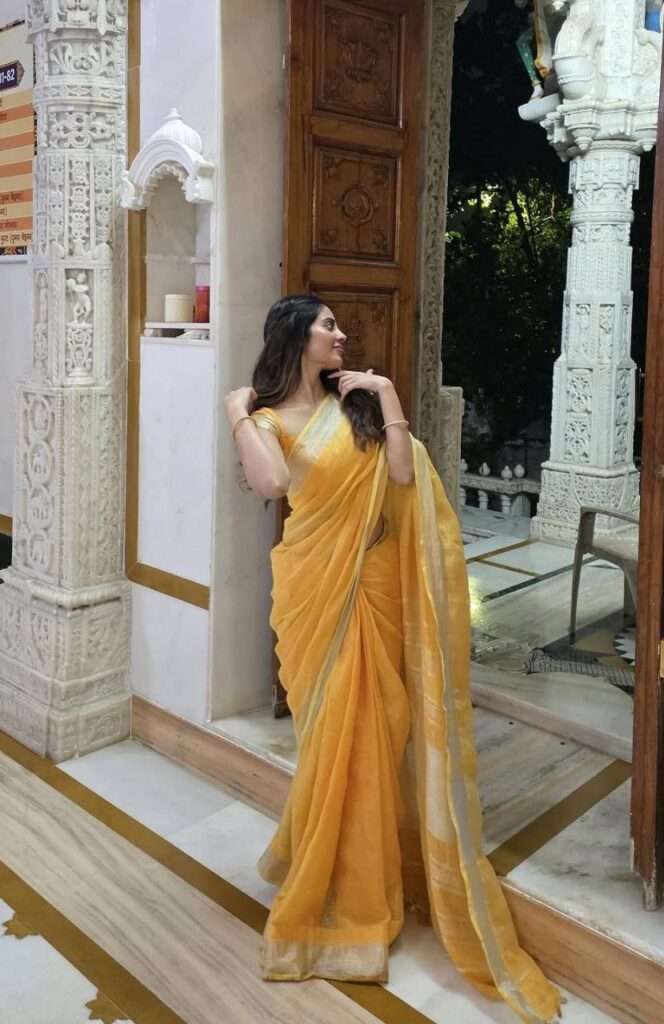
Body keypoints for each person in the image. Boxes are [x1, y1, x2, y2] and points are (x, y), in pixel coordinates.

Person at [225, 295, 561, 1024]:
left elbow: (404, 477)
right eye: (328, 326)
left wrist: (386, 394)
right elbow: (273, 485)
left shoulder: (356, 407)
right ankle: (336, 884)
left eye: (338, 325)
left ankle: (370, 867)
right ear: (296, 337)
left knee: (380, 734)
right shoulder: (269, 420)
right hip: (317, 589)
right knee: (332, 739)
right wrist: (236, 414)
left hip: (376, 585)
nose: (341, 334)